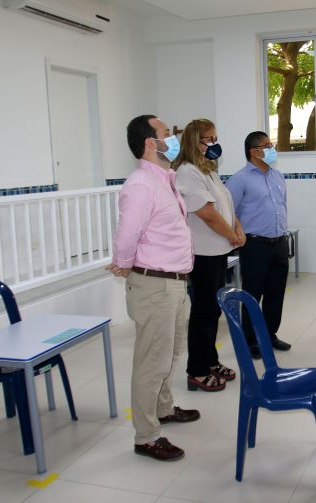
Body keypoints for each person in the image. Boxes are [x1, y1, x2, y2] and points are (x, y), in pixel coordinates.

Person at [107, 115, 199, 462]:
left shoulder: (165, 179)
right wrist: (124, 261)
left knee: (171, 354)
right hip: (155, 284)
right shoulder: (142, 184)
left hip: (174, 283)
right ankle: (146, 436)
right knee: (151, 362)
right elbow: (128, 232)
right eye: (166, 134)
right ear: (150, 142)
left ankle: (162, 409)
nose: (172, 138)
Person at [172, 119, 245, 392]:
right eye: (209, 139)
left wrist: (237, 227)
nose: (214, 144)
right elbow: (206, 213)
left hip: (218, 250)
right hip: (202, 253)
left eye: (215, 138)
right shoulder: (187, 172)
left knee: (213, 310)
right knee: (203, 312)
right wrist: (231, 234)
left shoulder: (207, 170)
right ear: (195, 141)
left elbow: (225, 205)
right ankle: (197, 370)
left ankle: (211, 361)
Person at [226, 131, 290, 359]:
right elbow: (228, 211)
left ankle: (269, 335)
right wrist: (238, 232)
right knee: (253, 294)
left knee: (276, 293)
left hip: (279, 242)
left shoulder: (277, 176)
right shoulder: (240, 179)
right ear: (254, 152)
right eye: (266, 145)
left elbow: (281, 207)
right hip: (255, 245)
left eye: (271, 144)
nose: (272, 149)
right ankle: (251, 340)